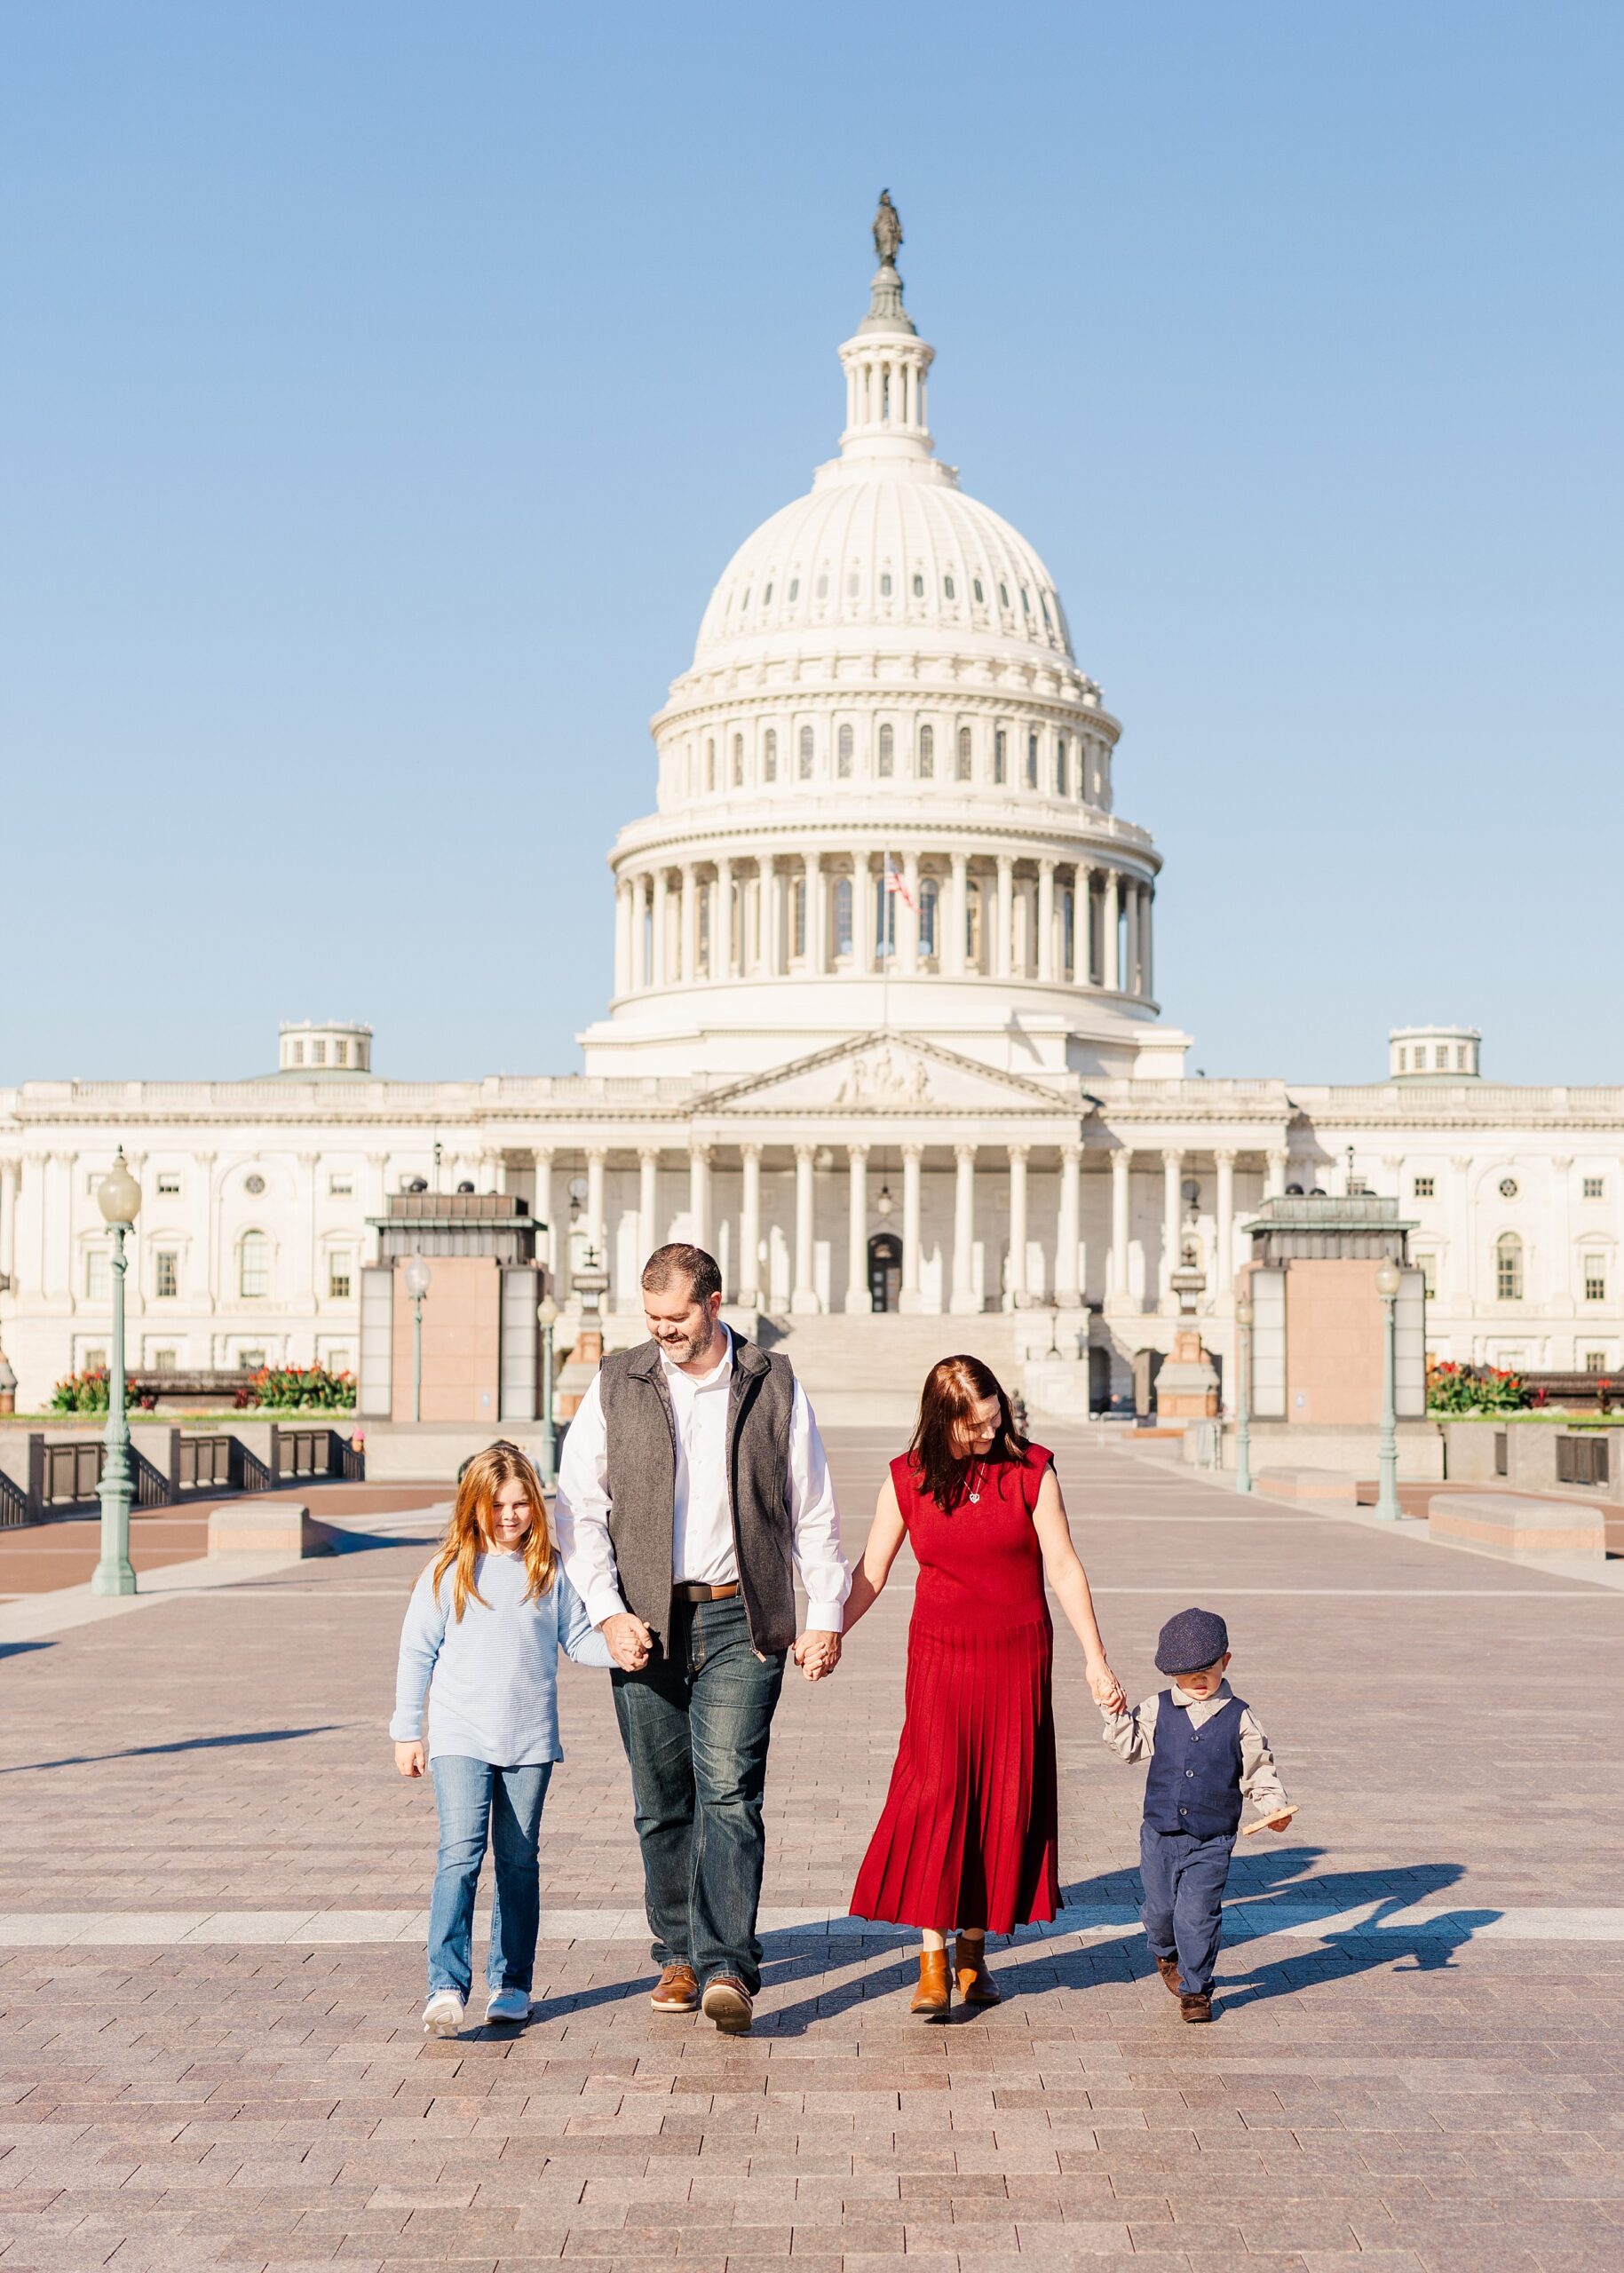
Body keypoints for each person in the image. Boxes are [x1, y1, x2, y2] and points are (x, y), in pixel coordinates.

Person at [552, 1243, 849, 2036]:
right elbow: (580, 1508)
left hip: (737, 1617)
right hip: (643, 1620)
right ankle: (677, 1952)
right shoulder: (617, 1381)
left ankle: (725, 1966)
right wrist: (607, 1611)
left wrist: (824, 1612)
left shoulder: (771, 1381)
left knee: (729, 1792)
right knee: (660, 1803)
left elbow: (811, 1507)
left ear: (714, 1304)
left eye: (676, 1317)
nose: (663, 1331)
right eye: (651, 1318)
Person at [845, 1356, 1126, 2019]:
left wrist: (1096, 1659)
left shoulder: (1032, 1470)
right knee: (935, 1793)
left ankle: (972, 1951)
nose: (990, 1433)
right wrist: (827, 1632)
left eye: (996, 1418)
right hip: (940, 1658)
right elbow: (872, 1570)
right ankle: (931, 1959)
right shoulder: (906, 1478)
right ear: (941, 1419)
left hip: (1017, 1656)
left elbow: (1062, 1565)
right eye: (975, 1425)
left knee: (1002, 1796)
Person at [391, 1442, 611, 2037]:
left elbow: (579, 1639)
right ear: (474, 1505)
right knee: (459, 1857)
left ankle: (511, 1984)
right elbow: (416, 1653)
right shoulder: (449, 1571)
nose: (509, 1516)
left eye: (520, 1503)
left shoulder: (550, 1570)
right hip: (459, 1736)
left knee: (518, 1861)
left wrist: (628, 1648)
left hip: (528, 1740)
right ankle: (445, 1986)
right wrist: (406, 1731)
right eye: (497, 1505)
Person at [1100, 1606, 1295, 2024]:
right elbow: (1129, 1748)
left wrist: (1274, 1808)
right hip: (1160, 1833)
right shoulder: (1157, 1708)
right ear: (1173, 1674)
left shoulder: (1241, 1717)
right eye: (1188, 1674)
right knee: (1160, 1913)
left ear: (1226, 1661)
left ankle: (1197, 1990)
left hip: (1212, 1838)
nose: (1199, 1680)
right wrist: (1114, 1712)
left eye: (1207, 1669)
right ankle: (1164, 1952)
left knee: (1197, 1915)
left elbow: (1259, 1770)